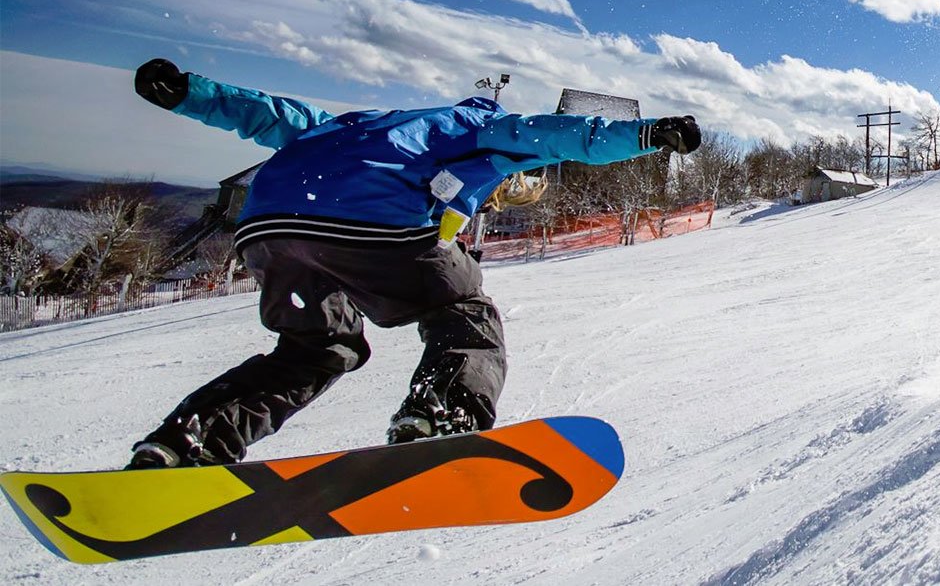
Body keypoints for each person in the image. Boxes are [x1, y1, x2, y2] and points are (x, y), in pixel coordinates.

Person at [123, 58, 701, 468]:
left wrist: (184, 91)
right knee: (463, 315)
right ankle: (441, 415)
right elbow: (564, 136)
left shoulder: (362, 123)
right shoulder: (477, 127)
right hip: (375, 221)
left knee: (314, 349)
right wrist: (650, 133)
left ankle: (185, 443)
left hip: (270, 227)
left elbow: (269, 114)